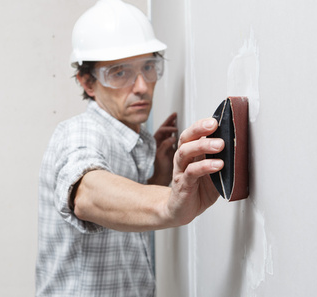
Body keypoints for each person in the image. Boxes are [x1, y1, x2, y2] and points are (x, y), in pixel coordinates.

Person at [36, 0, 223, 295]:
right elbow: (86, 193)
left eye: (149, 67)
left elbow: (119, 215)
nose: (141, 86)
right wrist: (168, 204)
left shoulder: (129, 141)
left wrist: (157, 179)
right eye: (119, 72)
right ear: (88, 83)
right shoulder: (80, 132)